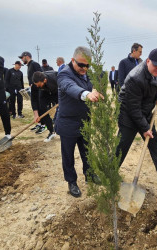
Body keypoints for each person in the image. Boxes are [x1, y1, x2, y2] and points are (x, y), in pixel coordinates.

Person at [116, 48, 157, 176]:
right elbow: (133, 108)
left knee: (153, 141)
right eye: (156, 66)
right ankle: (111, 171)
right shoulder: (135, 78)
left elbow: (156, 87)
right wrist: (144, 128)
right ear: (148, 61)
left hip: (145, 110)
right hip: (129, 114)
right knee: (123, 145)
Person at [55, 46, 103, 198]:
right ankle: (72, 182)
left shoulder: (85, 74)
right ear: (72, 60)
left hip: (84, 122)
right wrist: (86, 94)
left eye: (88, 65)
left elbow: (91, 84)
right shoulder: (64, 74)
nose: (84, 68)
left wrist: (95, 91)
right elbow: (71, 87)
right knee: (68, 156)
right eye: (81, 65)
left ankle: (89, 175)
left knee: (87, 152)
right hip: (68, 124)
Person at [18, 51, 46, 134]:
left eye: (22, 57)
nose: (22, 59)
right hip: (33, 90)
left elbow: (41, 75)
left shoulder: (34, 64)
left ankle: (43, 125)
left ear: (27, 56)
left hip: (38, 90)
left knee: (40, 107)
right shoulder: (29, 65)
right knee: (35, 106)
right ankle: (39, 123)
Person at [32, 71, 58, 142]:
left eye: (39, 85)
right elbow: (34, 99)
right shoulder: (35, 84)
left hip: (57, 91)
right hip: (44, 92)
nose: (37, 86)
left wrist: (62, 101)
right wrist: (36, 114)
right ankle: (52, 132)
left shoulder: (55, 78)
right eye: (36, 85)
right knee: (42, 109)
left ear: (45, 80)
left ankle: (64, 131)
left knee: (63, 109)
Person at [0, 56, 11, 139]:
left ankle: (8, 133)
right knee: (5, 115)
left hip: (0, 94)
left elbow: (8, 80)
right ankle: (8, 133)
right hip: (1, 93)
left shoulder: (3, 69)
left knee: (5, 114)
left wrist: (6, 89)